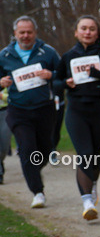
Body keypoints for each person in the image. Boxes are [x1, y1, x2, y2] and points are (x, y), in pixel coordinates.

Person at [56, 15, 100, 220]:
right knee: (85, 154)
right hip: (77, 111)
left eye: (92, 29)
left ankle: (92, 185)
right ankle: (87, 201)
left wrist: (98, 74)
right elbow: (55, 83)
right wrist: (65, 83)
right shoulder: (68, 56)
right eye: (83, 28)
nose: (87, 32)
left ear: (98, 33)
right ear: (76, 32)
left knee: (95, 155)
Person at [0, 16, 62, 207]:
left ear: (35, 33)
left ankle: (32, 169)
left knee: (45, 149)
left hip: (44, 109)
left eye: (29, 32)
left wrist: (52, 75)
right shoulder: (5, 55)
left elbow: (64, 75)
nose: (25, 36)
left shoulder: (48, 52)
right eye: (22, 32)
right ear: (15, 33)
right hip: (18, 110)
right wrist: (1, 82)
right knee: (27, 149)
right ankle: (38, 192)